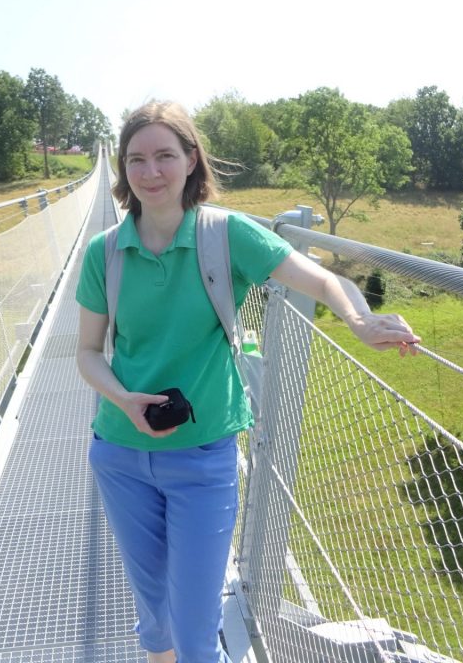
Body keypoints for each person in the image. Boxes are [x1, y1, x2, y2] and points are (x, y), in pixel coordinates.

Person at [75, 101, 420, 663]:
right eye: (136, 159)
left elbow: (323, 279)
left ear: (191, 160)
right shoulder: (105, 252)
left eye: (165, 155)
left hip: (204, 456)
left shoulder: (225, 235)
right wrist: (122, 398)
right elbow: (88, 353)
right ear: (122, 169)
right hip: (118, 452)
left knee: (194, 627)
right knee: (153, 614)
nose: (150, 172)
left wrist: (359, 322)